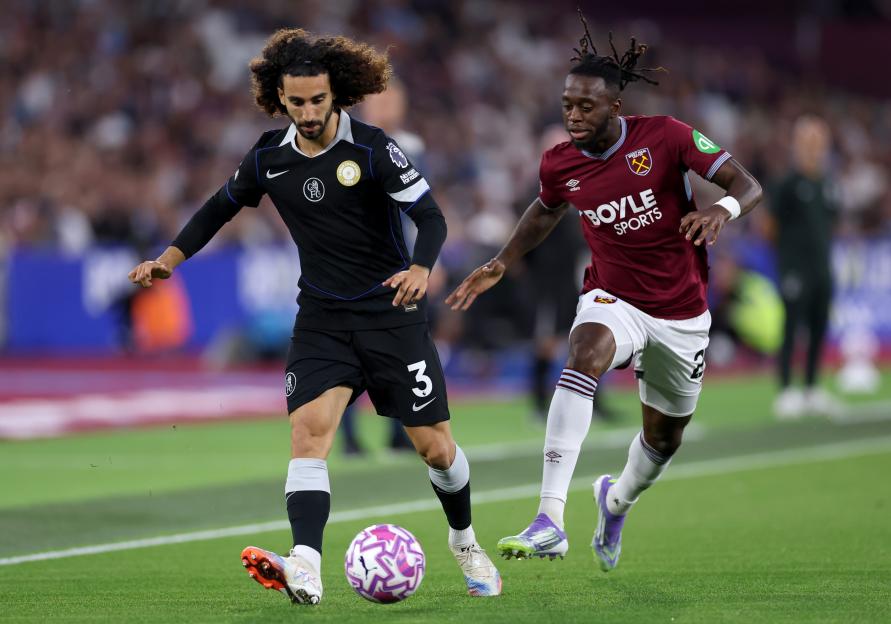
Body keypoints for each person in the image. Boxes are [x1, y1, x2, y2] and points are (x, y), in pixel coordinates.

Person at [128, 28, 500, 604]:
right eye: (294, 101)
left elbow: (430, 217)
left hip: (391, 316)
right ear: (279, 97)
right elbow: (217, 209)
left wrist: (423, 268)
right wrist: (168, 259)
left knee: (437, 451)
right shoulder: (269, 157)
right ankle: (304, 564)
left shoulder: (374, 148)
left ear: (337, 95)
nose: (305, 112)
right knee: (308, 437)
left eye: (316, 101)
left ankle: (465, 540)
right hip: (322, 320)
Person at [446, 15, 762, 572]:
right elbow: (545, 211)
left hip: (682, 314)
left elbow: (747, 183)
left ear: (615, 107)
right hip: (613, 298)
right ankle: (548, 519)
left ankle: (615, 502)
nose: (572, 114)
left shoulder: (665, 135)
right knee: (584, 350)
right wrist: (502, 260)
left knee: (663, 441)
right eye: (567, 103)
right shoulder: (560, 163)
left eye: (585, 106)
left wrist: (719, 209)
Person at [770, 116, 838, 419]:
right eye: (808, 141)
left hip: (822, 267)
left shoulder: (827, 184)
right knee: (792, 327)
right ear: (797, 145)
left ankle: (811, 388)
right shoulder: (787, 184)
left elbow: (829, 224)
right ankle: (786, 390)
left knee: (819, 327)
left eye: (818, 141)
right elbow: (769, 226)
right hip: (795, 268)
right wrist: (789, 257)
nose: (813, 148)